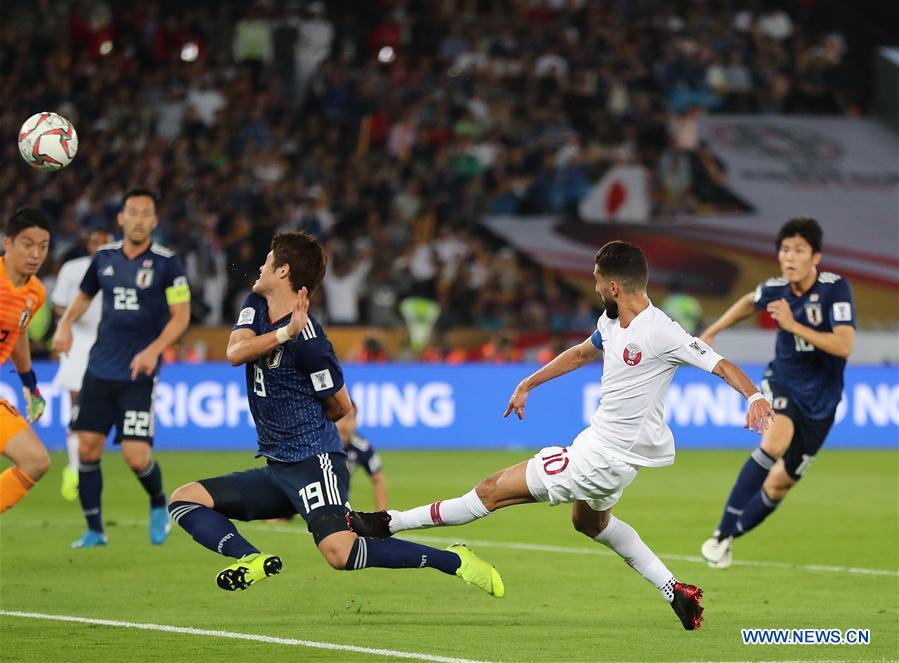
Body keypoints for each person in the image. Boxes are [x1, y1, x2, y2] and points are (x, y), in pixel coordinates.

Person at [349, 240, 775, 630]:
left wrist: (754, 395)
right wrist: (529, 383)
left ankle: (388, 523)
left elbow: (720, 364)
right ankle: (675, 590)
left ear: (612, 285)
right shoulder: (611, 321)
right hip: (608, 455)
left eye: (595, 280)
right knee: (589, 523)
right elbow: (581, 353)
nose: (592, 287)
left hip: (602, 458)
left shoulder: (661, 331)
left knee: (491, 490)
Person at [167, 231, 503, 596]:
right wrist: (282, 335)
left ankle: (453, 560)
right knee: (185, 499)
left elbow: (342, 406)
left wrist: (308, 425)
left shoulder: (311, 343)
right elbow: (235, 352)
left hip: (314, 461)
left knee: (340, 553)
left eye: (268, 259)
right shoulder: (256, 305)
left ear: (283, 271)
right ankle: (250, 559)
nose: (260, 266)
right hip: (278, 466)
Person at [699, 218, 854, 568]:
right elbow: (748, 300)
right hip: (782, 382)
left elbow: (844, 345)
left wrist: (792, 324)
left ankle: (729, 538)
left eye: (799, 250)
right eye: (785, 250)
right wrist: (714, 330)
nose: (790, 257)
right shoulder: (776, 288)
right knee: (775, 441)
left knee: (780, 486)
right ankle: (721, 532)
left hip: (823, 403)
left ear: (816, 256)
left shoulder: (835, 290)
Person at [53, 188, 191, 548]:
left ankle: (159, 502)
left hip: (138, 374)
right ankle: (94, 530)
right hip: (99, 368)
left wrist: (154, 350)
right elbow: (83, 297)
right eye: (133, 212)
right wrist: (65, 324)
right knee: (87, 450)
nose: (139, 219)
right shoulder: (104, 258)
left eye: (147, 213)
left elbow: (181, 317)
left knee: (135, 456)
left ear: (154, 221)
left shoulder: (167, 263)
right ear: (121, 218)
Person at [50, 229, 113, 501]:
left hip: (111, 343)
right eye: (94, 241)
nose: (99, 246)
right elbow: (58, 305)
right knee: (77, 404)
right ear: (88, 244)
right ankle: (75, 468)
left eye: (104, 241)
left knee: (101, 407)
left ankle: (87, 462)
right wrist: (75, 316)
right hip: (79, 339)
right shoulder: (72, 269)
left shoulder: (122, 267)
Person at [0, 208, 52, 512]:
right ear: (9, 243)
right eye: (27, 244)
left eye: (43, 246)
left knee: (36, 460)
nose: (35, 254)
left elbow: (17, 333)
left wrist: (30, 385)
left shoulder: (35, 293)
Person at [337, 401, 388, 511]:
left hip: (341, 502)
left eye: (349, 418)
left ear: (356, 422)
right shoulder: (318, 443)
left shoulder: (362, 447)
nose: (343, 424)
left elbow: (378, 480)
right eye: (339, 418)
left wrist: (381, 515)